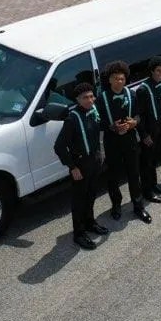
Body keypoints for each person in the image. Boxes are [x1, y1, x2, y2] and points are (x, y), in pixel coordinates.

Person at [96, 61, 154, 225]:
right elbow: (97, 121)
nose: (119, 81)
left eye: (122, 78)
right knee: (113, 175)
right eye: (116, 78)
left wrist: (134, 123)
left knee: (134, 173)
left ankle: (138, 206)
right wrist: (111, 126)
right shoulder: (101, 98)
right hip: (112, 141)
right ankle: (116, 205)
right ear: (110, 80)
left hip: (130, 140)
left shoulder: (132, 94)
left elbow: (138, 115)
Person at [53, 82, 110, 250]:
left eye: (91, 96)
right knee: (79, 199)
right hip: (80, 165)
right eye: (85, 97)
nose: (90, 100)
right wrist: (72, 167)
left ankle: (90, 222)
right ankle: (78, 233)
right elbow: (59, 146)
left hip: (94, 161)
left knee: (91, 194)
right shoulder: (72, 119)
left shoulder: (93, 111)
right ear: (77, 99)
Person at [136, 56, 161, 198]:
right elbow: (138, 116)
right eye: (158, 71)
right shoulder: (143, 90)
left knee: (154, 159)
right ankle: (147, 191)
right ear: (152, 71)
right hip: (148, 132)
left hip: (159, 129)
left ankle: (154, 185)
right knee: (146, 162)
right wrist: (144, 135)